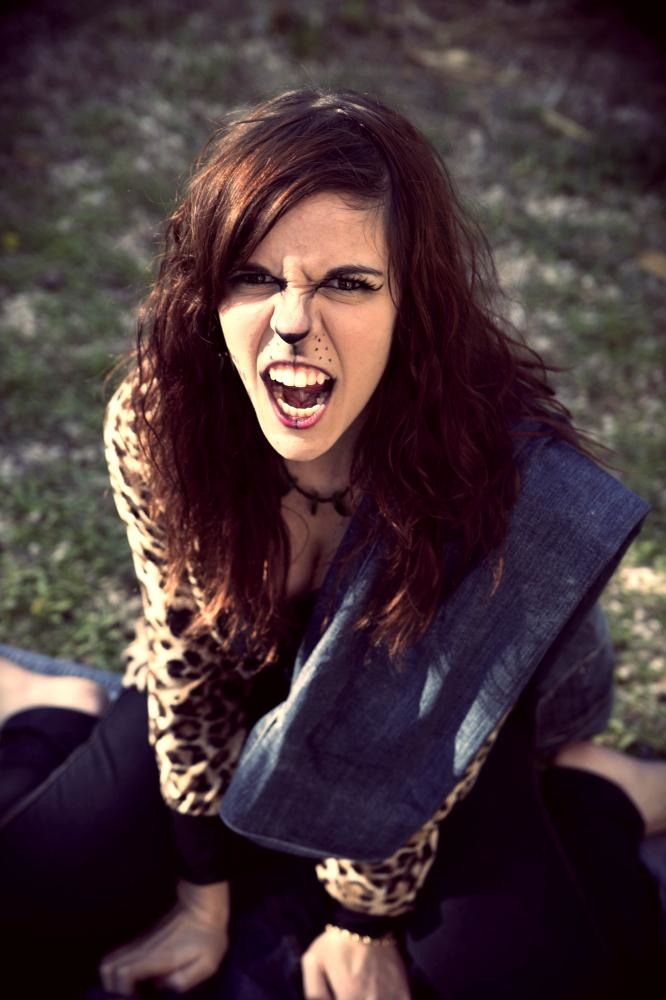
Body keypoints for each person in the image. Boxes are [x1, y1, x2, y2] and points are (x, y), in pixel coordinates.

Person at [0, 88, 664, 1000]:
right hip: (244, 681)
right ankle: (52, 701)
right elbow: (189, 660)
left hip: (443, 728)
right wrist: (201, 888)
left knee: (539, 976)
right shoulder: (164, 421)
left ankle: (603, 789)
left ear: (411, 304)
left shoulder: (495, 472)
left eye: (347, 283)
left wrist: (360, 917)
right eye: (253, 276)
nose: (291, 321)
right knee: (29, 895)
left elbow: (417, 729)